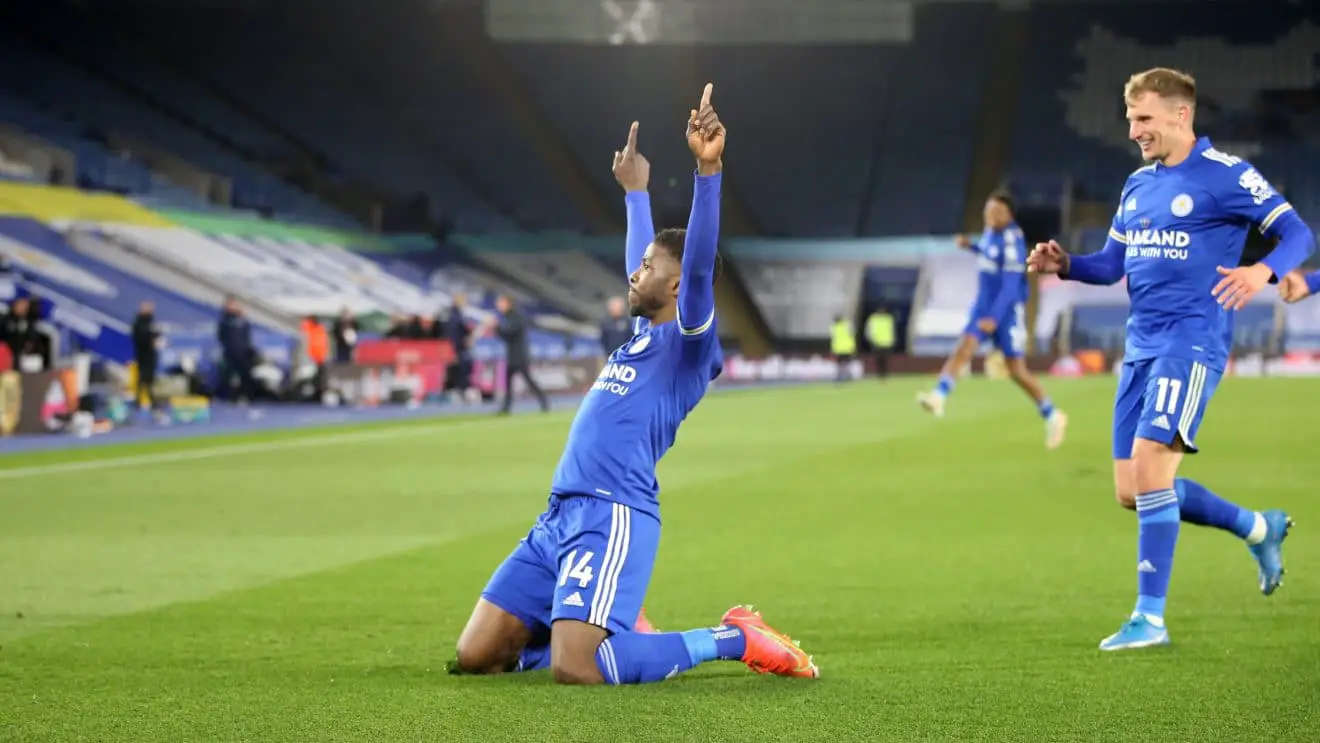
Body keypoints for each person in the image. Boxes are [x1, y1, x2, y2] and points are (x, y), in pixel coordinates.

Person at [449, 85, 818, 685]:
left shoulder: (688, 344)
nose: (634, 274)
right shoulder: (643, 334)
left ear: (677, 288)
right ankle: (598, 628)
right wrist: (636, 193)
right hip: (559, 515)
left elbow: (694, 264)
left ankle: (733, 638)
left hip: (612, 511)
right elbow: (645, 265)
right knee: (477, 657)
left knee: (577, 669)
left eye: (648, 269)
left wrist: (708, 170)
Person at [1026, 68, 1314, 651]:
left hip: (1192, 341)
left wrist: (1263, 271)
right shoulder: (1137, 185)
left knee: (1153, 471)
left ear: (1182, 114)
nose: (1134, 130)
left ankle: (1150, 618)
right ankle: (1258, 527)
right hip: (1140, 346)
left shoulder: (1227, 175)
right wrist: (1067, 265)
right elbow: (1112, 265)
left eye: (1144, 118)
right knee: (1132, 491)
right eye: (1130, 119)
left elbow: (1298, 235)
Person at [918, 192, 1068, 449]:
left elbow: (1010, 284)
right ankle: (939, 396)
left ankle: (1053, 415)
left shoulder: (1012, 239)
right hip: (983, 306)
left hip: (1006, 311)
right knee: (964, 347)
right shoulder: (990, 233)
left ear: (1009, 215)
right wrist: (971, 247)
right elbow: (989, 254)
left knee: (1016, 371)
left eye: (996, 212)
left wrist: (994, 318)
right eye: (988, 210)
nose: (990, 215)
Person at [489, 295, 549, 415]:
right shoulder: (509, 317)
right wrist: (497, 329)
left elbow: (511, 333)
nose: (498, 305)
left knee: (528, 380)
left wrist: (497, 327)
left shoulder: (516, 317)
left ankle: (543, 402)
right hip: (513, 355)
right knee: (509, 382)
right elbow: (507, 336)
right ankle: (506, 407)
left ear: (508, 303)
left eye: (501, 303)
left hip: (519, 355)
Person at [131, 300, 162, 416]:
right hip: (142, 354)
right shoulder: (139, 322)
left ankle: (151, 401)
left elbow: (156, 333)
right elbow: (138, 337)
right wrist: (150, 340)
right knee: (142, 378)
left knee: (150, 379)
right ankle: (139, 401)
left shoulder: (151, 321)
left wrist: (156, 337)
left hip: (150, 354)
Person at [865, 305, 895, 379]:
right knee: (878, 359)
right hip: (877, 342)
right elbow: (869, 329)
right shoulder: (873, 318)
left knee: (886, 359)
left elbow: (891, 330)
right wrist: (870, 339)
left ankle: (885, 373)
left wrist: (892, 340)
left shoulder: (888, 318)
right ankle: (880, 373)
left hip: (886, 343)